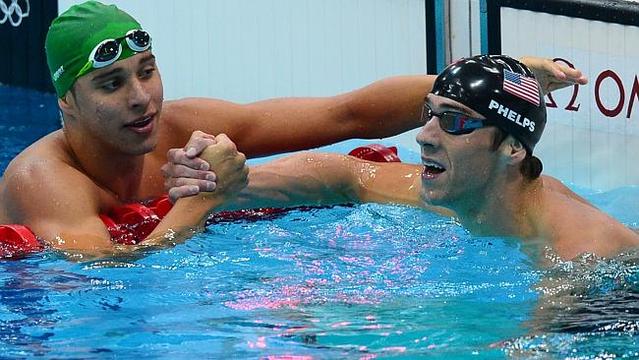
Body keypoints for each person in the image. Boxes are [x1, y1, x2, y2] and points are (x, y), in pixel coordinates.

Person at [0, 1, 584, 257]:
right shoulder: (45, 180)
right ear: (66, 102)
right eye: (110, 85)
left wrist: (504, 78)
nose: (141, 100)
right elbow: (103, 283)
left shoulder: (183, 124)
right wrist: (208, 200)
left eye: (147, 73)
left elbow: (345, 114)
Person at [187, 55, 639, 261]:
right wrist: (224, 182)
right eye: (430, 114)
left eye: (455, 122)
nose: (424, 136)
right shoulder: (464, 189)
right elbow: (345, 174)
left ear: (512, 148)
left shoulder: (578, 254)